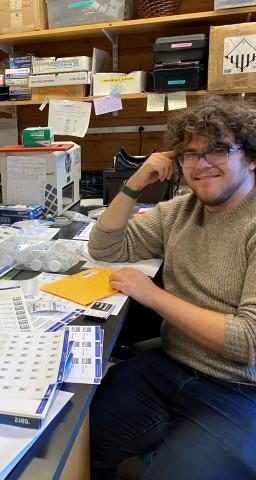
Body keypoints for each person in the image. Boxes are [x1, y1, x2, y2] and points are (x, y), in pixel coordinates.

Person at [88, 96, 256, 479]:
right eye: (191, 154)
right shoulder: (181, 211)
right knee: (78, 435)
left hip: (240, 389)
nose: (202, 164)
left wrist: (152, 295)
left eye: (218, 150)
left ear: (251, 157)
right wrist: (136, 181)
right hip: (171, 365)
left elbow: (249, 342)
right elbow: (105, 246)